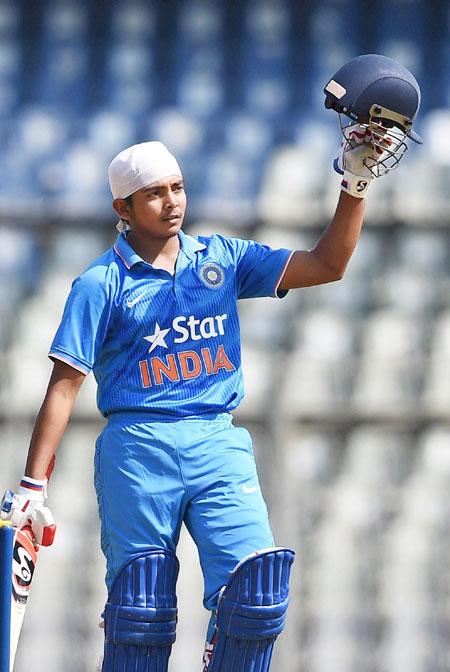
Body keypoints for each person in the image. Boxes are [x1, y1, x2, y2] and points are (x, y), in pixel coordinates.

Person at [0, 131, 396, 672]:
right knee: (141, 615)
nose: (172, 202)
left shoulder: (222, 258)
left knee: (256, 595)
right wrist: (32, 486)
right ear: (123, 207)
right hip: (138, 451)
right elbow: (64, 386)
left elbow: (327, 265)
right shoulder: (100, 283)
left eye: (178, 187)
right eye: (155, 193)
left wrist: (355, 184)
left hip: (216, 438)